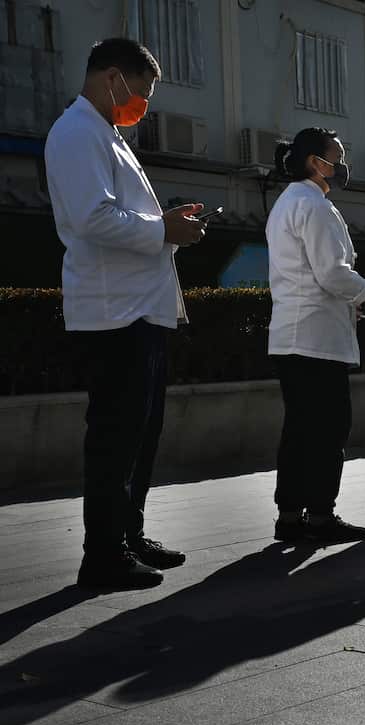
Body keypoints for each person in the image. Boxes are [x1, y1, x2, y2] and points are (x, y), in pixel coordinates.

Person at [45, 38, 205, 590]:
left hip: (140, 309)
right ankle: (103, 554)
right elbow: (93, 219)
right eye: (141, 91)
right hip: (115, 314)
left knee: (141, 433)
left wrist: (166, 221)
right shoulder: (75, 133)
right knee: (115, 436)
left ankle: (128, 533)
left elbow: (123, 215)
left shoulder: (107, 135)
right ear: (113, 77)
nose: (142, 105)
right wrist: (164, 229)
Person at [266, 129, 365, 544]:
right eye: (339, 156)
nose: (344, 165)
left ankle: (291, 514)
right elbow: (332, 273)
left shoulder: (288, 203)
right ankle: (319, 515)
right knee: (328, 429)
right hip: (315, 338)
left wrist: (357, 299)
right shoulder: (314, 206)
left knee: (300, 430)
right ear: (317, 162)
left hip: (296, 335)